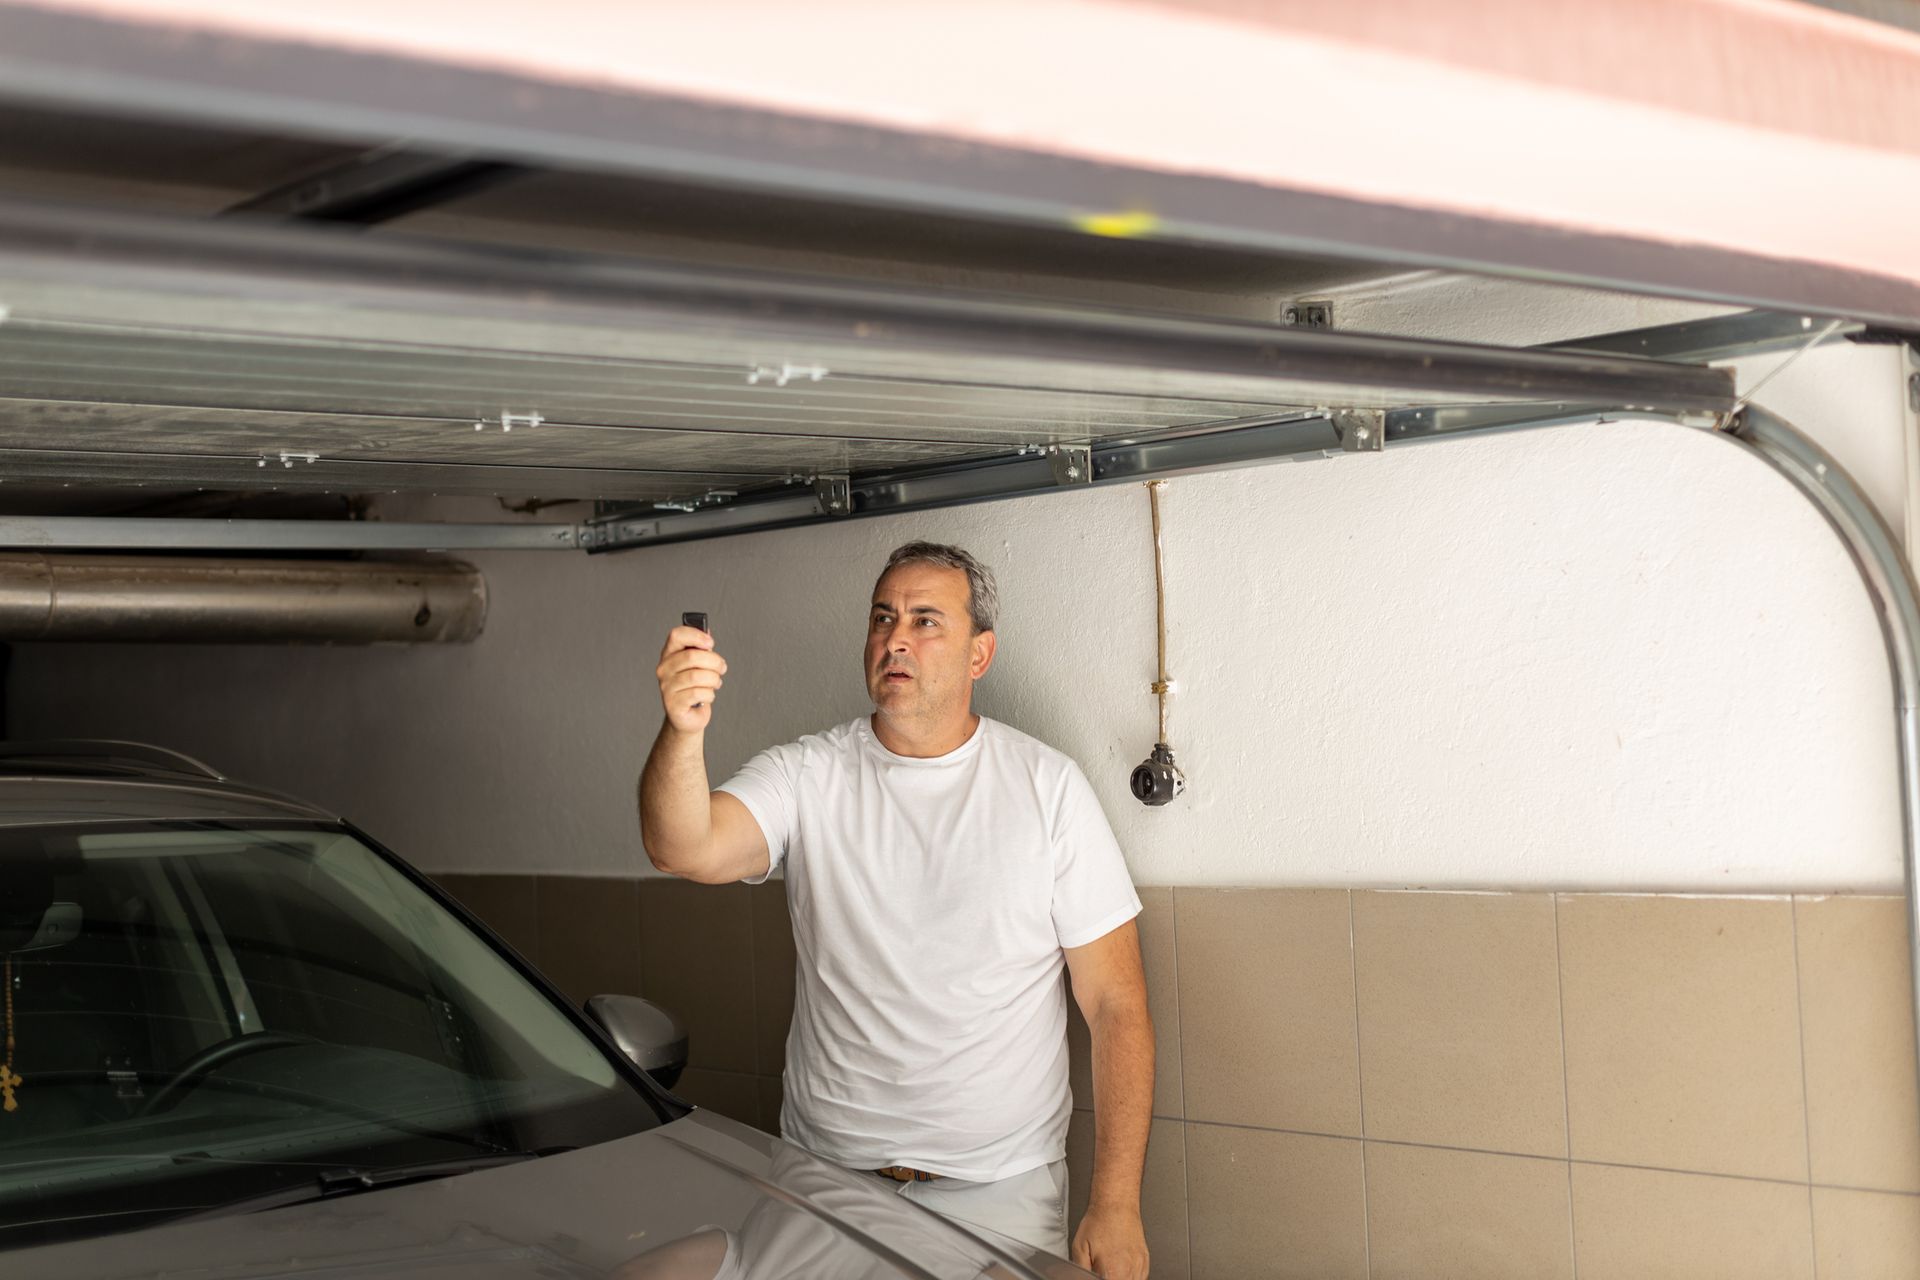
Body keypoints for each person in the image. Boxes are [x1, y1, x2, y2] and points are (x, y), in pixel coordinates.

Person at [639, 541, 1152, 1280]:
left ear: (980, 655)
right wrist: (683, 732)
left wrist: (1117, 1204)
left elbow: (1116, 1004)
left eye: (925, 621)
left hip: (1000, 1196)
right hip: (823, 1187)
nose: (896, 639)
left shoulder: (1048, 789)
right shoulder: (809, 774)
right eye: (883, 618)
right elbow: (682, 847)